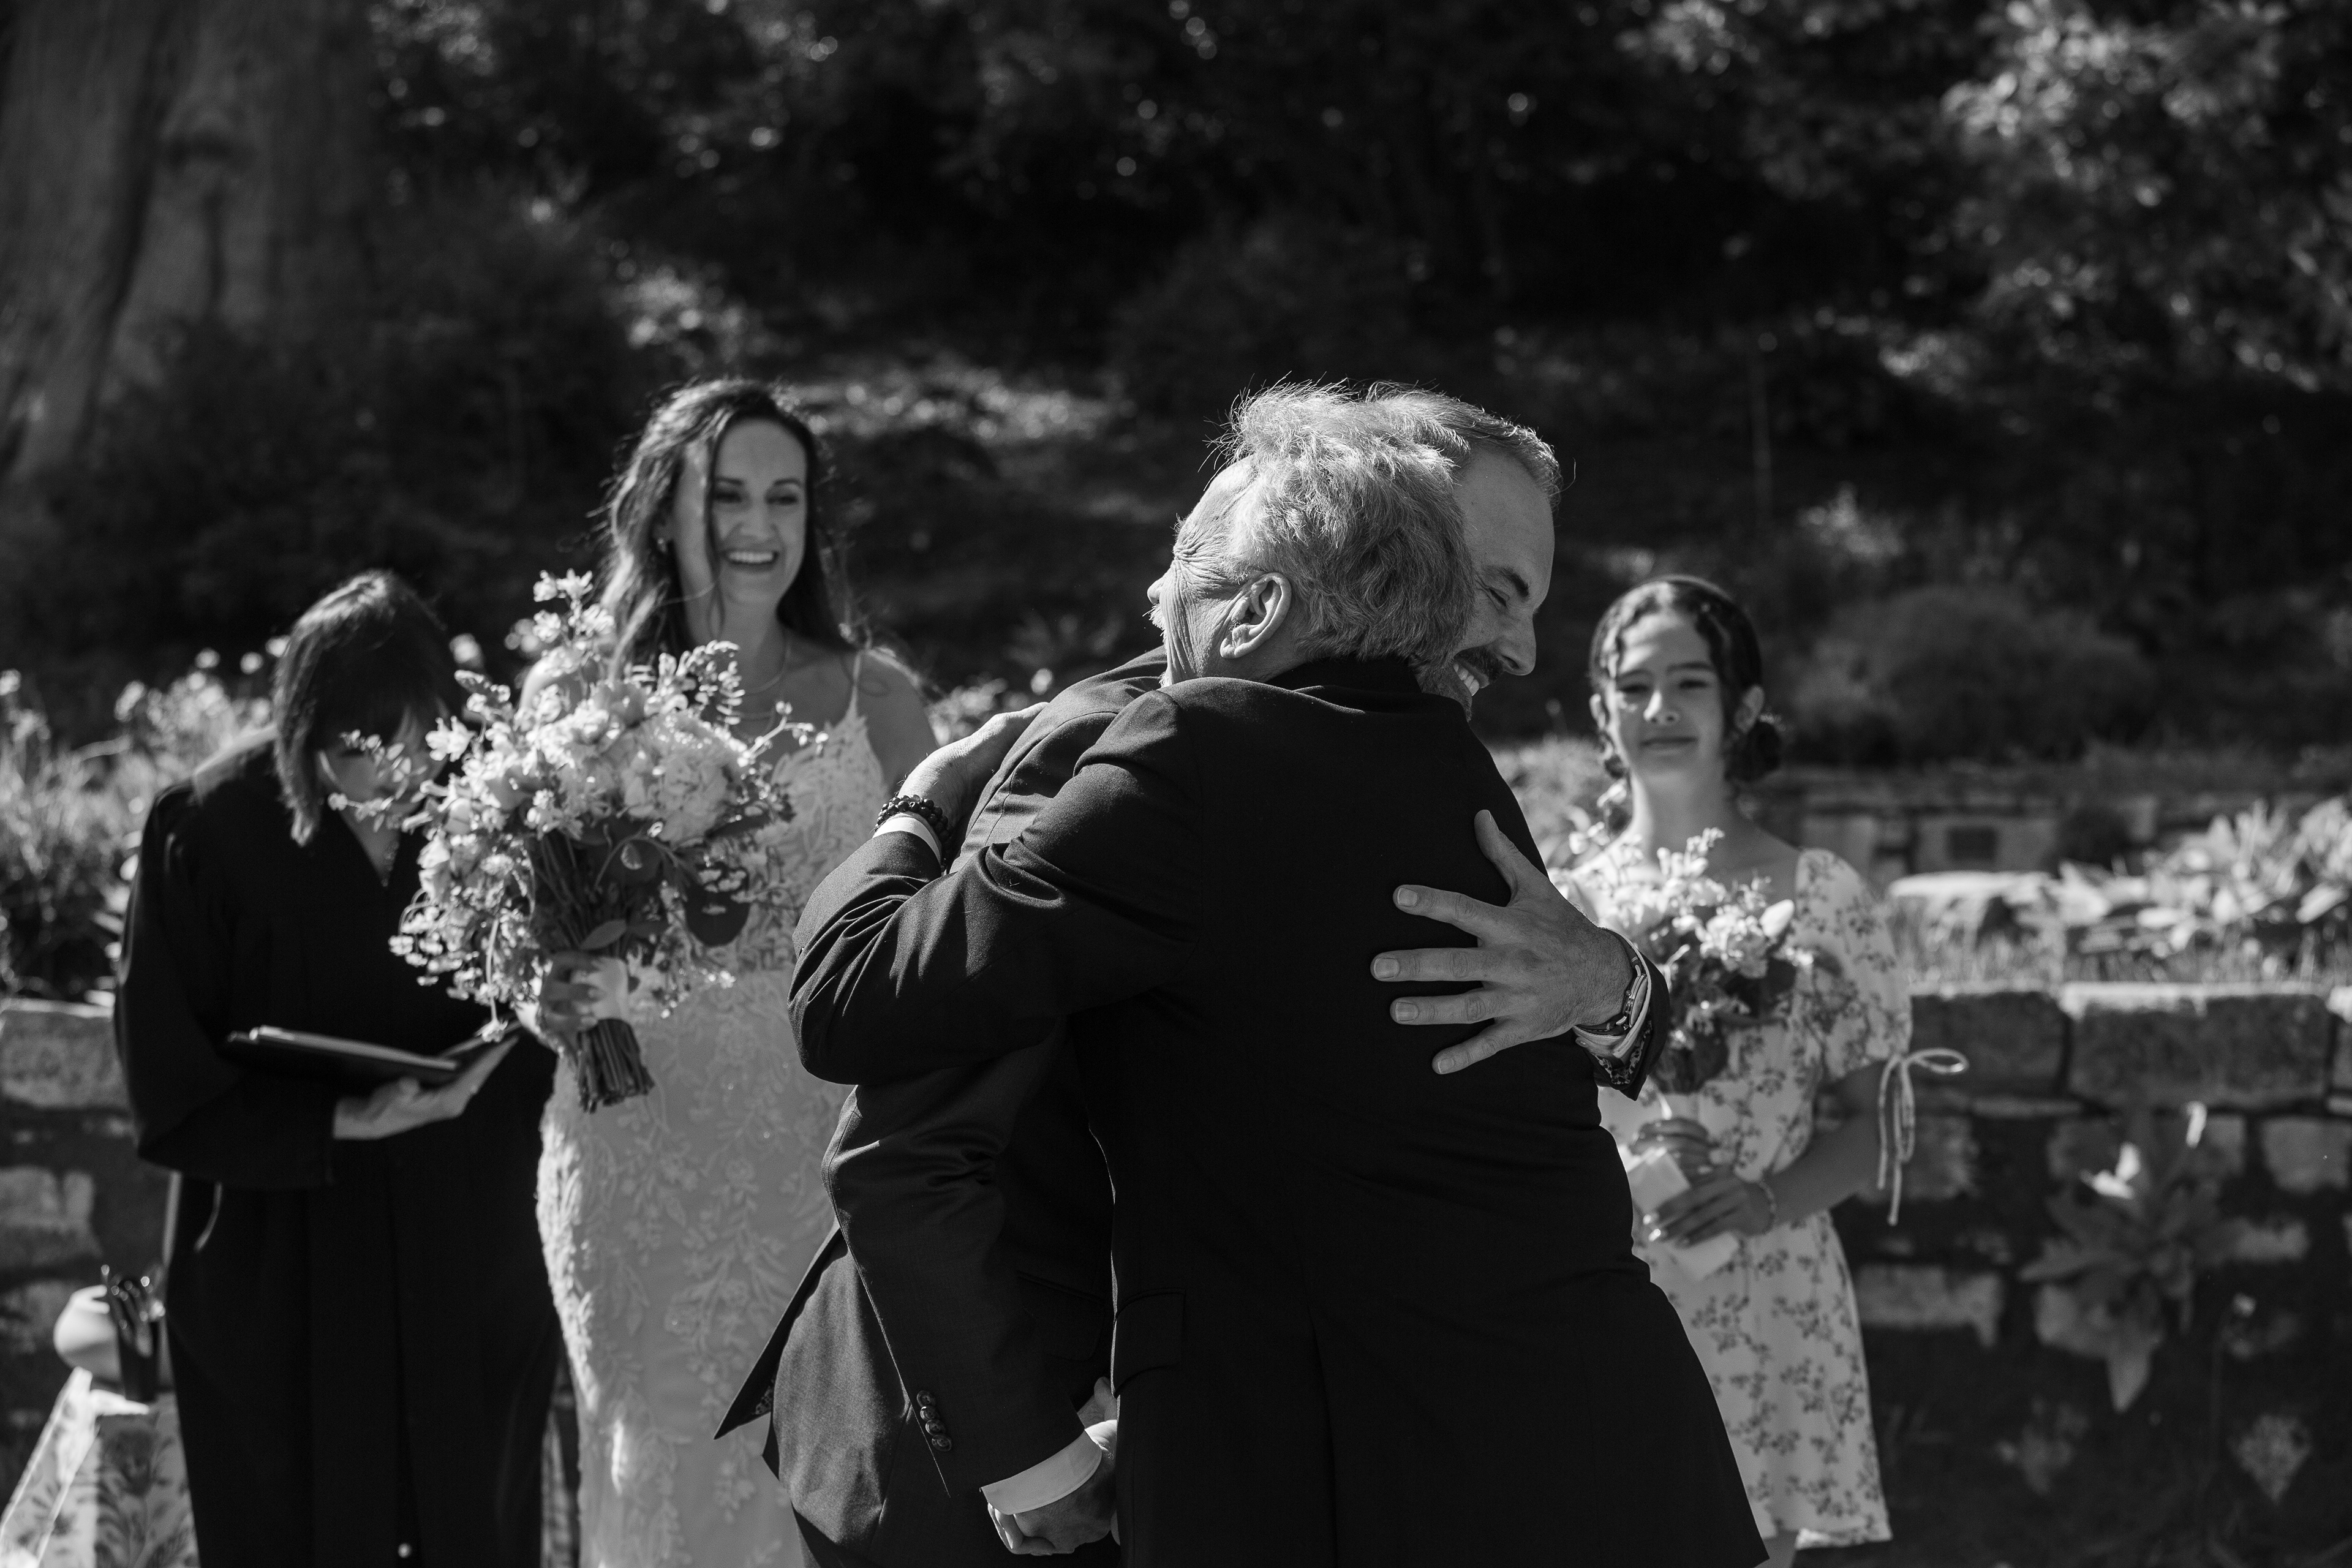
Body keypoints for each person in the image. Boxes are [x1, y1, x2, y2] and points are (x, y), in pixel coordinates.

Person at [774, 386, 1763, 1566]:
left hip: (1367, 1462)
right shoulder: (1375, 756)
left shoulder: (1231, 750)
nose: (1515, 645)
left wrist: (919, 801)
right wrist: (1029, 1445)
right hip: (1584, 1455)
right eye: (1494, 588)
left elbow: (847, 993)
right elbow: (915, 1138)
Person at [529, 377, 934, 1568]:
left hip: (814, 1159)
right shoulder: (579, 700)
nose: (760, 525)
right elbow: (529, 932)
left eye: (787, 496)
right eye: (730, 496)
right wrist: (548, 996)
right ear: (666, 511)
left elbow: (928, 935)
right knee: (655, 1475)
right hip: (632, 1149)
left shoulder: (885, 701)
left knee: (810, 1486)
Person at [114, 570, 559, 1567]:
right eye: (353, 746)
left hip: (464, 1231)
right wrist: (339, 1124)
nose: (386, 773)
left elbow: (553, 1009)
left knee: (471, 1512)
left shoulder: (500, 803)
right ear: (301, 723)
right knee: (291, 1523)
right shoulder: (209, 826)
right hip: (284, 1249)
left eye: (409, 739)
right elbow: (164, 1070)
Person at [1566, 576, 1904, 1564]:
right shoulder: (1559, 903)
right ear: (1601, 713)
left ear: (1745, 708)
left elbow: (1871, 1124)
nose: (1659, 710)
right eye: (1633, 687)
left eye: (1690, 684)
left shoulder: (1822, 897)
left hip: (1773, 1294)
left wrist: (1761, 1201)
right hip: (1609, 1283)